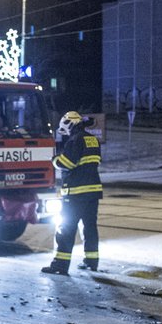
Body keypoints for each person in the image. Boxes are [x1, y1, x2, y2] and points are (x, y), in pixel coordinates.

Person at [42, 111, 102, 275]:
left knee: (66, 228)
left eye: (65, 129)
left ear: (70, 124)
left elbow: (67, 163)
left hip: (75, 193)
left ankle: (60, 266)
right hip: (93, 192)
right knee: (90, 227)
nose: (66, 133)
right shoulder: (93, 140)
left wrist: (54, 160)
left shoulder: (75, 140)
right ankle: (91, 261)